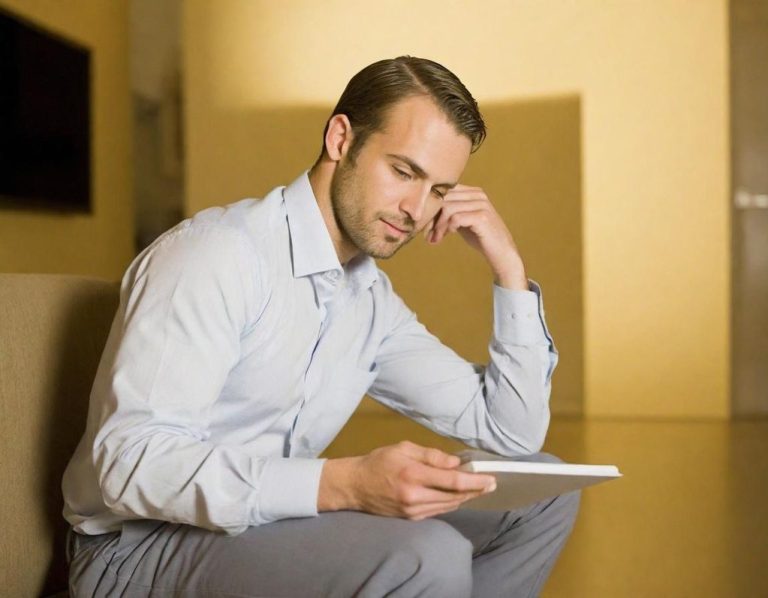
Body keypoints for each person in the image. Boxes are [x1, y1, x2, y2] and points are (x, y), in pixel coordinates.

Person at [62, 56, 579, 597]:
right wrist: (346, 484)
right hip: (140, 549)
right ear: (340, 138)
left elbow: (512, 433)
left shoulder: (368, 299)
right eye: (404, 172)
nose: (416, 209)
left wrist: (509, 269)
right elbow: (131, 465)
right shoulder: (216, 255)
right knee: (428, 555)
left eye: (440, 191)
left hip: (261, 527)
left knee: (543, 495)